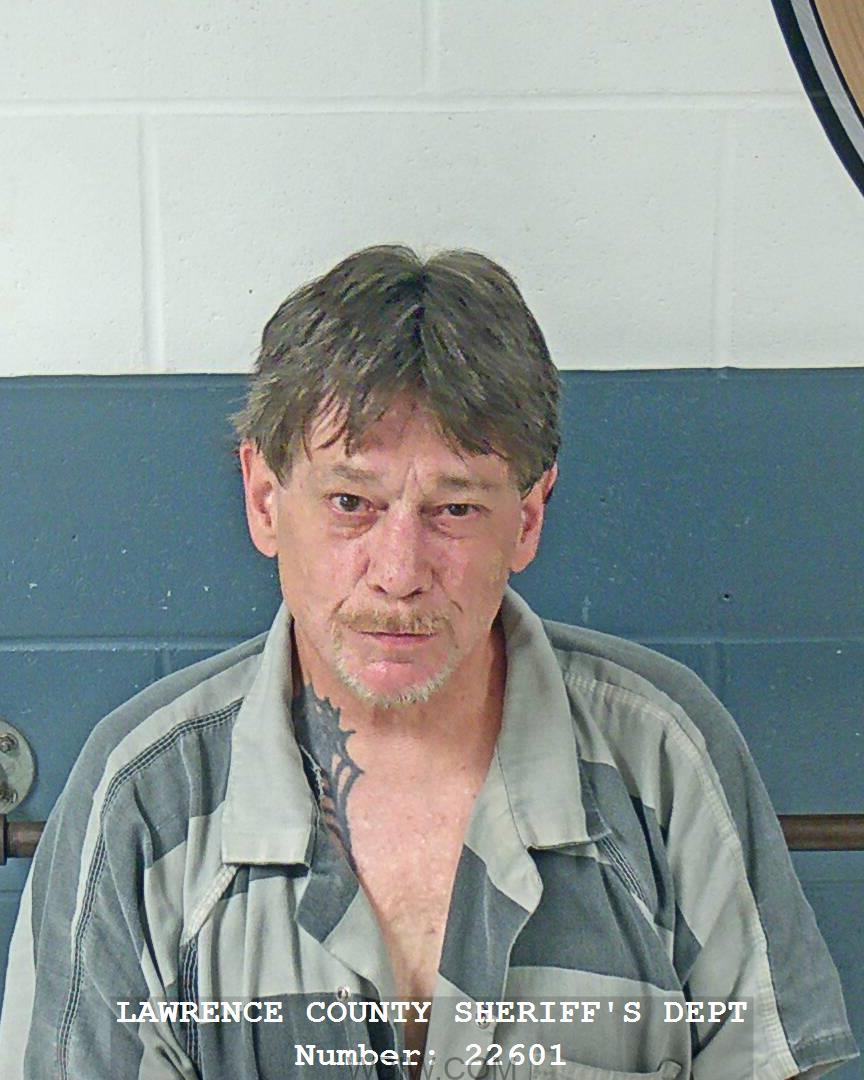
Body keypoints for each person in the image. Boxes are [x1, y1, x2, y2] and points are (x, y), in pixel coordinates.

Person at [0, 246, 857, 1080]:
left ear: (528, 518)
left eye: (455, 509)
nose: (400, 572)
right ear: (264, 499)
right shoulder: (142, 801)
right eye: (351, 502)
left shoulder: (665, 758)